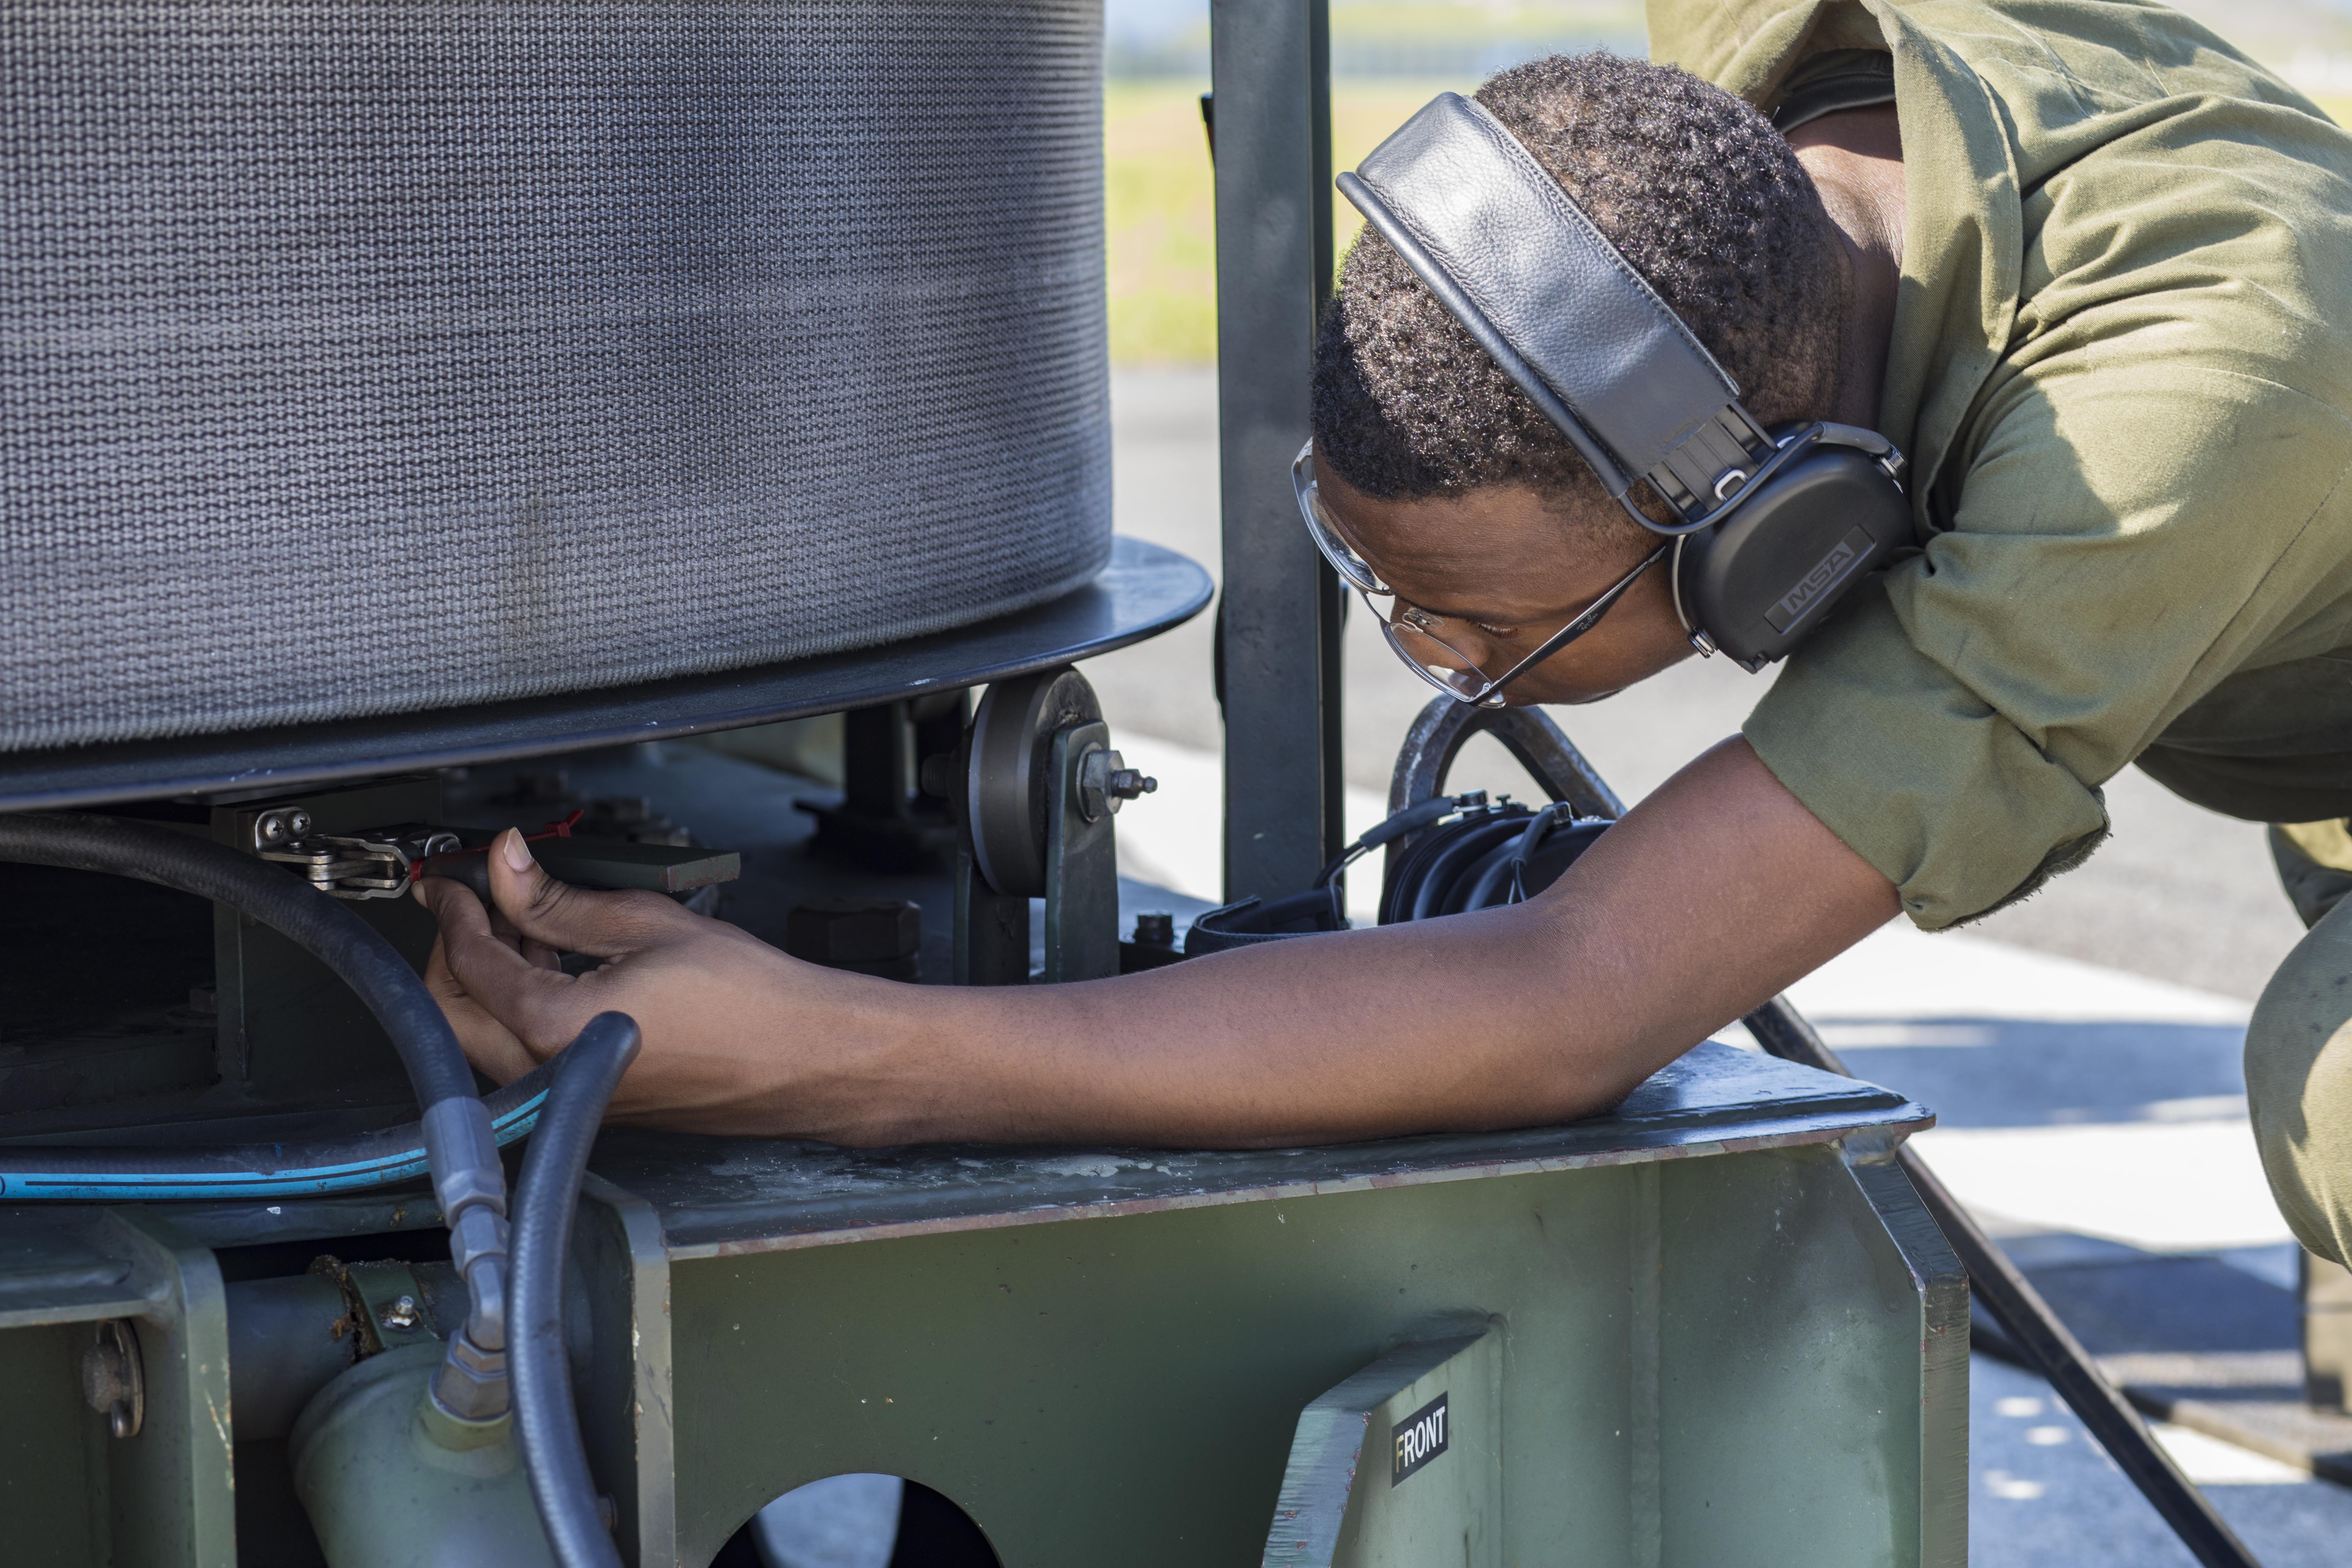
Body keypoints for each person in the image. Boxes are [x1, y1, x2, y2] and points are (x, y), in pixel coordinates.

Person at [421, 1, 2352, 1263]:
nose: (1441, 667)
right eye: (1387, 588)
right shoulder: (1761, 93)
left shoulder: (2163, 435)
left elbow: (1578, 998)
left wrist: (843, 1060)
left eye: (1483, 623)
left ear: (1779, 547)